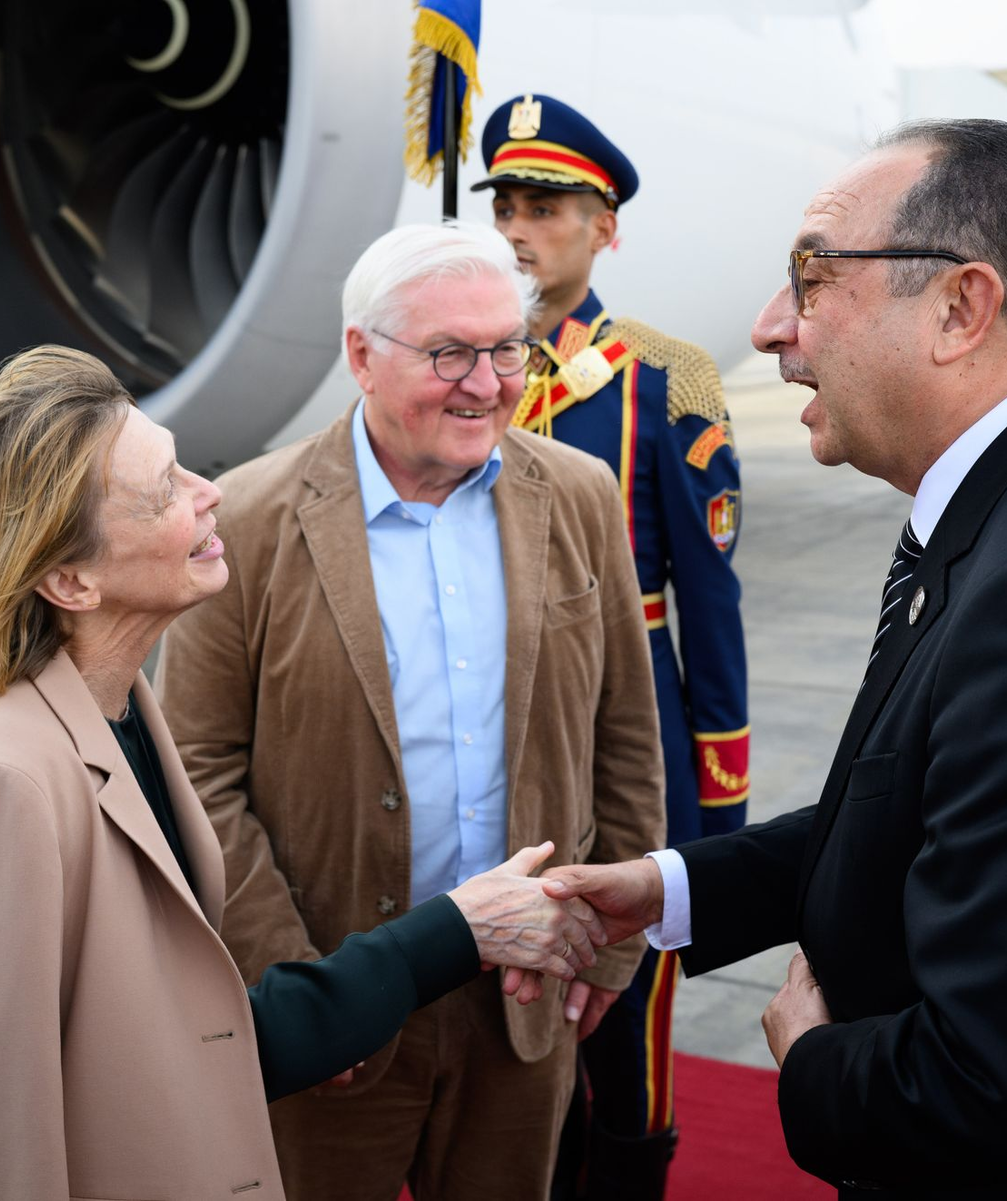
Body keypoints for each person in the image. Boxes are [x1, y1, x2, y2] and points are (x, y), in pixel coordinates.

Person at [0, 345, 609, 1201]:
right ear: (70, 578)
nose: (210, 491)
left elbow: (182, 1036)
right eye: (165, 488)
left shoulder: (110, 703)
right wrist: (455, 930)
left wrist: (460, 928)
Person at [542, 118, 1007, 1198]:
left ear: (960, 308)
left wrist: (810, 1060)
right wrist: (665, 887)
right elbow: (916, 812)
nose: (769, 329)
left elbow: (984, 1087)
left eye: (810, 277)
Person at [156, 221, 666, 1201]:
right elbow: (198, 770)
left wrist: (608, 948)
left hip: (523, 997)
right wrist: (311, 993)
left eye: (507, 348)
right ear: (362, 356)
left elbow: (625, 733)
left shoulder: (579, 495)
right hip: (340, 995)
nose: (486, 383)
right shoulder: (249, 517)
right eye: (449, 354)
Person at [472, 93, 748, 1194]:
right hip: (485, 737)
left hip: (621, 740)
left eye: (545, 207)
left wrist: (715, 814)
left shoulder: (660, 378)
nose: (517, 230)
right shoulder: (461, 374)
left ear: (606, 228)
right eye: (504, 205)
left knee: (623, 1031)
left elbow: (710, 607)